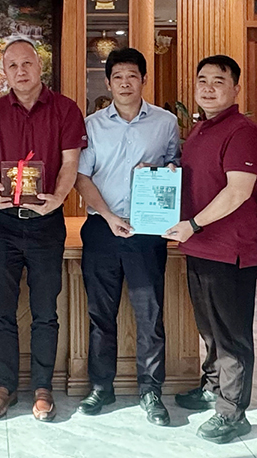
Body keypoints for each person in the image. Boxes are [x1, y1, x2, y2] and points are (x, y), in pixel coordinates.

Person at [0, 37, 87, 422]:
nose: (21, 71)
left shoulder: (66, 109)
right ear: (4, 72)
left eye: (27, 64)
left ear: (40, 67)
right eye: (13, 66)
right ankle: (5, 386)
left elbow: (70, 163)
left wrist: (58, 198)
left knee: (45, 311)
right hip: (4, 224)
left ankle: (43, 387)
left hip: (46, 224)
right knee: (1, 311)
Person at [74, 48, 180, 426]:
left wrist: (165, 170)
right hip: (103, 229)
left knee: (149, 315)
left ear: (144, 80)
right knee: (100, 314)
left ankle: (150, 391)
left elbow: (176, 167)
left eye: (132, 76)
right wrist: (109, 216)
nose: (124, 83)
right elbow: (81, 177)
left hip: (147, 232)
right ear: (108, 82)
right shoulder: (91, 125)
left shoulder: (166, 123)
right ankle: (101, 386)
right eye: (117, 76)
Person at [164, 55, 257, 445]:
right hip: (200, 247)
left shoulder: (243, 131)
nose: (208, 88)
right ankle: (212, 387)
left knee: (231, 334)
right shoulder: (200, 130)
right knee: (209, 329)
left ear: (236, 89)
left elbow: (238, 191)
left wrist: (193, 224)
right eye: (202, 80)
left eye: (218, 81)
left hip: (230, 249)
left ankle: (232, 411)